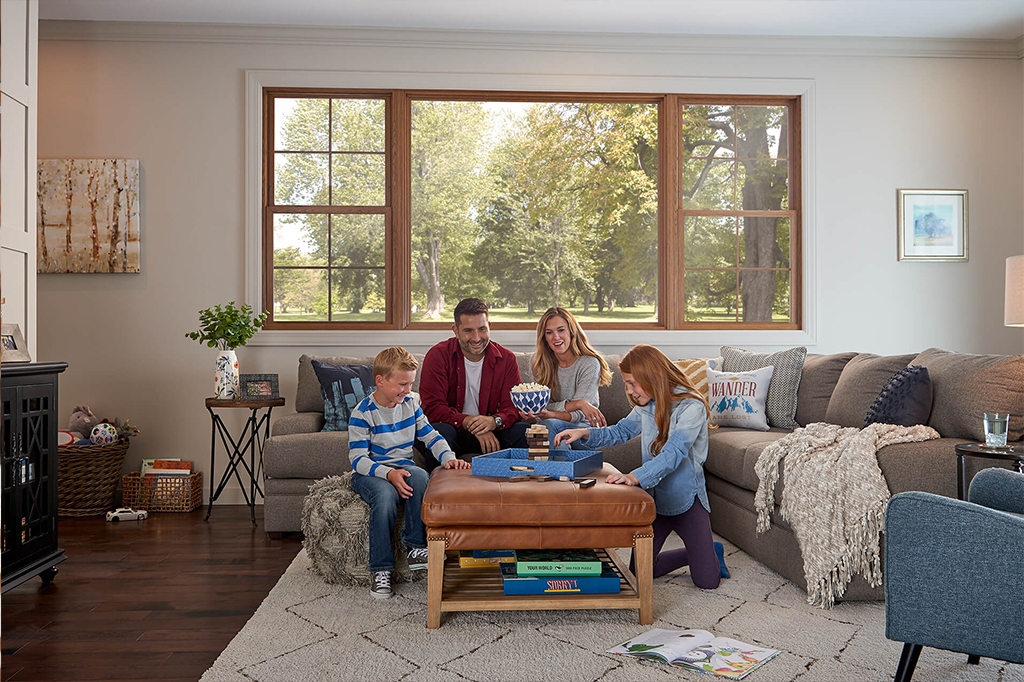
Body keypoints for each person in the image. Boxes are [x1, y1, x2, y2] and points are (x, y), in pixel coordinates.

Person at [554, 344, 729, 588]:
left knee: (707, 582)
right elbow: (621, 431)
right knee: (640, 572)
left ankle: (711, 552)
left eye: (632, 383)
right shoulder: (647, 405)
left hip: (687, 501)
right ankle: (703, 552)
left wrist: (635, 477)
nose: (629, 390)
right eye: (627, 383)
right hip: (656, 502)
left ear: (652, 376)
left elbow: (674, 453)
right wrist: (584, 432)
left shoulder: (692, 407)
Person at [347, 346, 471, 600]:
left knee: (422, 477)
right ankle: (381, 570)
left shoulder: (411, 404)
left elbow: (430, 436)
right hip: (371, 471)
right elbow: (357, 460)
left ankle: (416, 546)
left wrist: (449, 458)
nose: (408, 390)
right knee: (384, 498)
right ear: (380, 381)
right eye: (402, 384)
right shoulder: (362, 413)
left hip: (403, 465)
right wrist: (388, 474)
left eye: (410, 383)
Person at [419, 297, 529, 461]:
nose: (477, 338)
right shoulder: (438, 356)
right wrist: (470, 422)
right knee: (439, 433)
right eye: (468, 331)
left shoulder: (506, 359)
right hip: (453, 431)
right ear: (455, 330)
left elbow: (513, 408)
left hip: (493, 433)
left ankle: (519, 483)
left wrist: (495, 421)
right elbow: (433, 408)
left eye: (482, 329)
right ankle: (443, 485)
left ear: (490, 327)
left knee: (525, 432)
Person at [526, 307, 612, 449]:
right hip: (549, 427)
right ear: (544, 337)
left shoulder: (589, 363)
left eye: (561, 330)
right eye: (549, 332)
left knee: (548, 426)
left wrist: (550, 413)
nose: (556, 337)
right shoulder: (538, 362)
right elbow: (540, 407)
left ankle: (549, 470)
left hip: (584, 430)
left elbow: (579, 414)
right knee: (542, 429)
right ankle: (558, 470)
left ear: (572, 332)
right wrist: (578, 403)